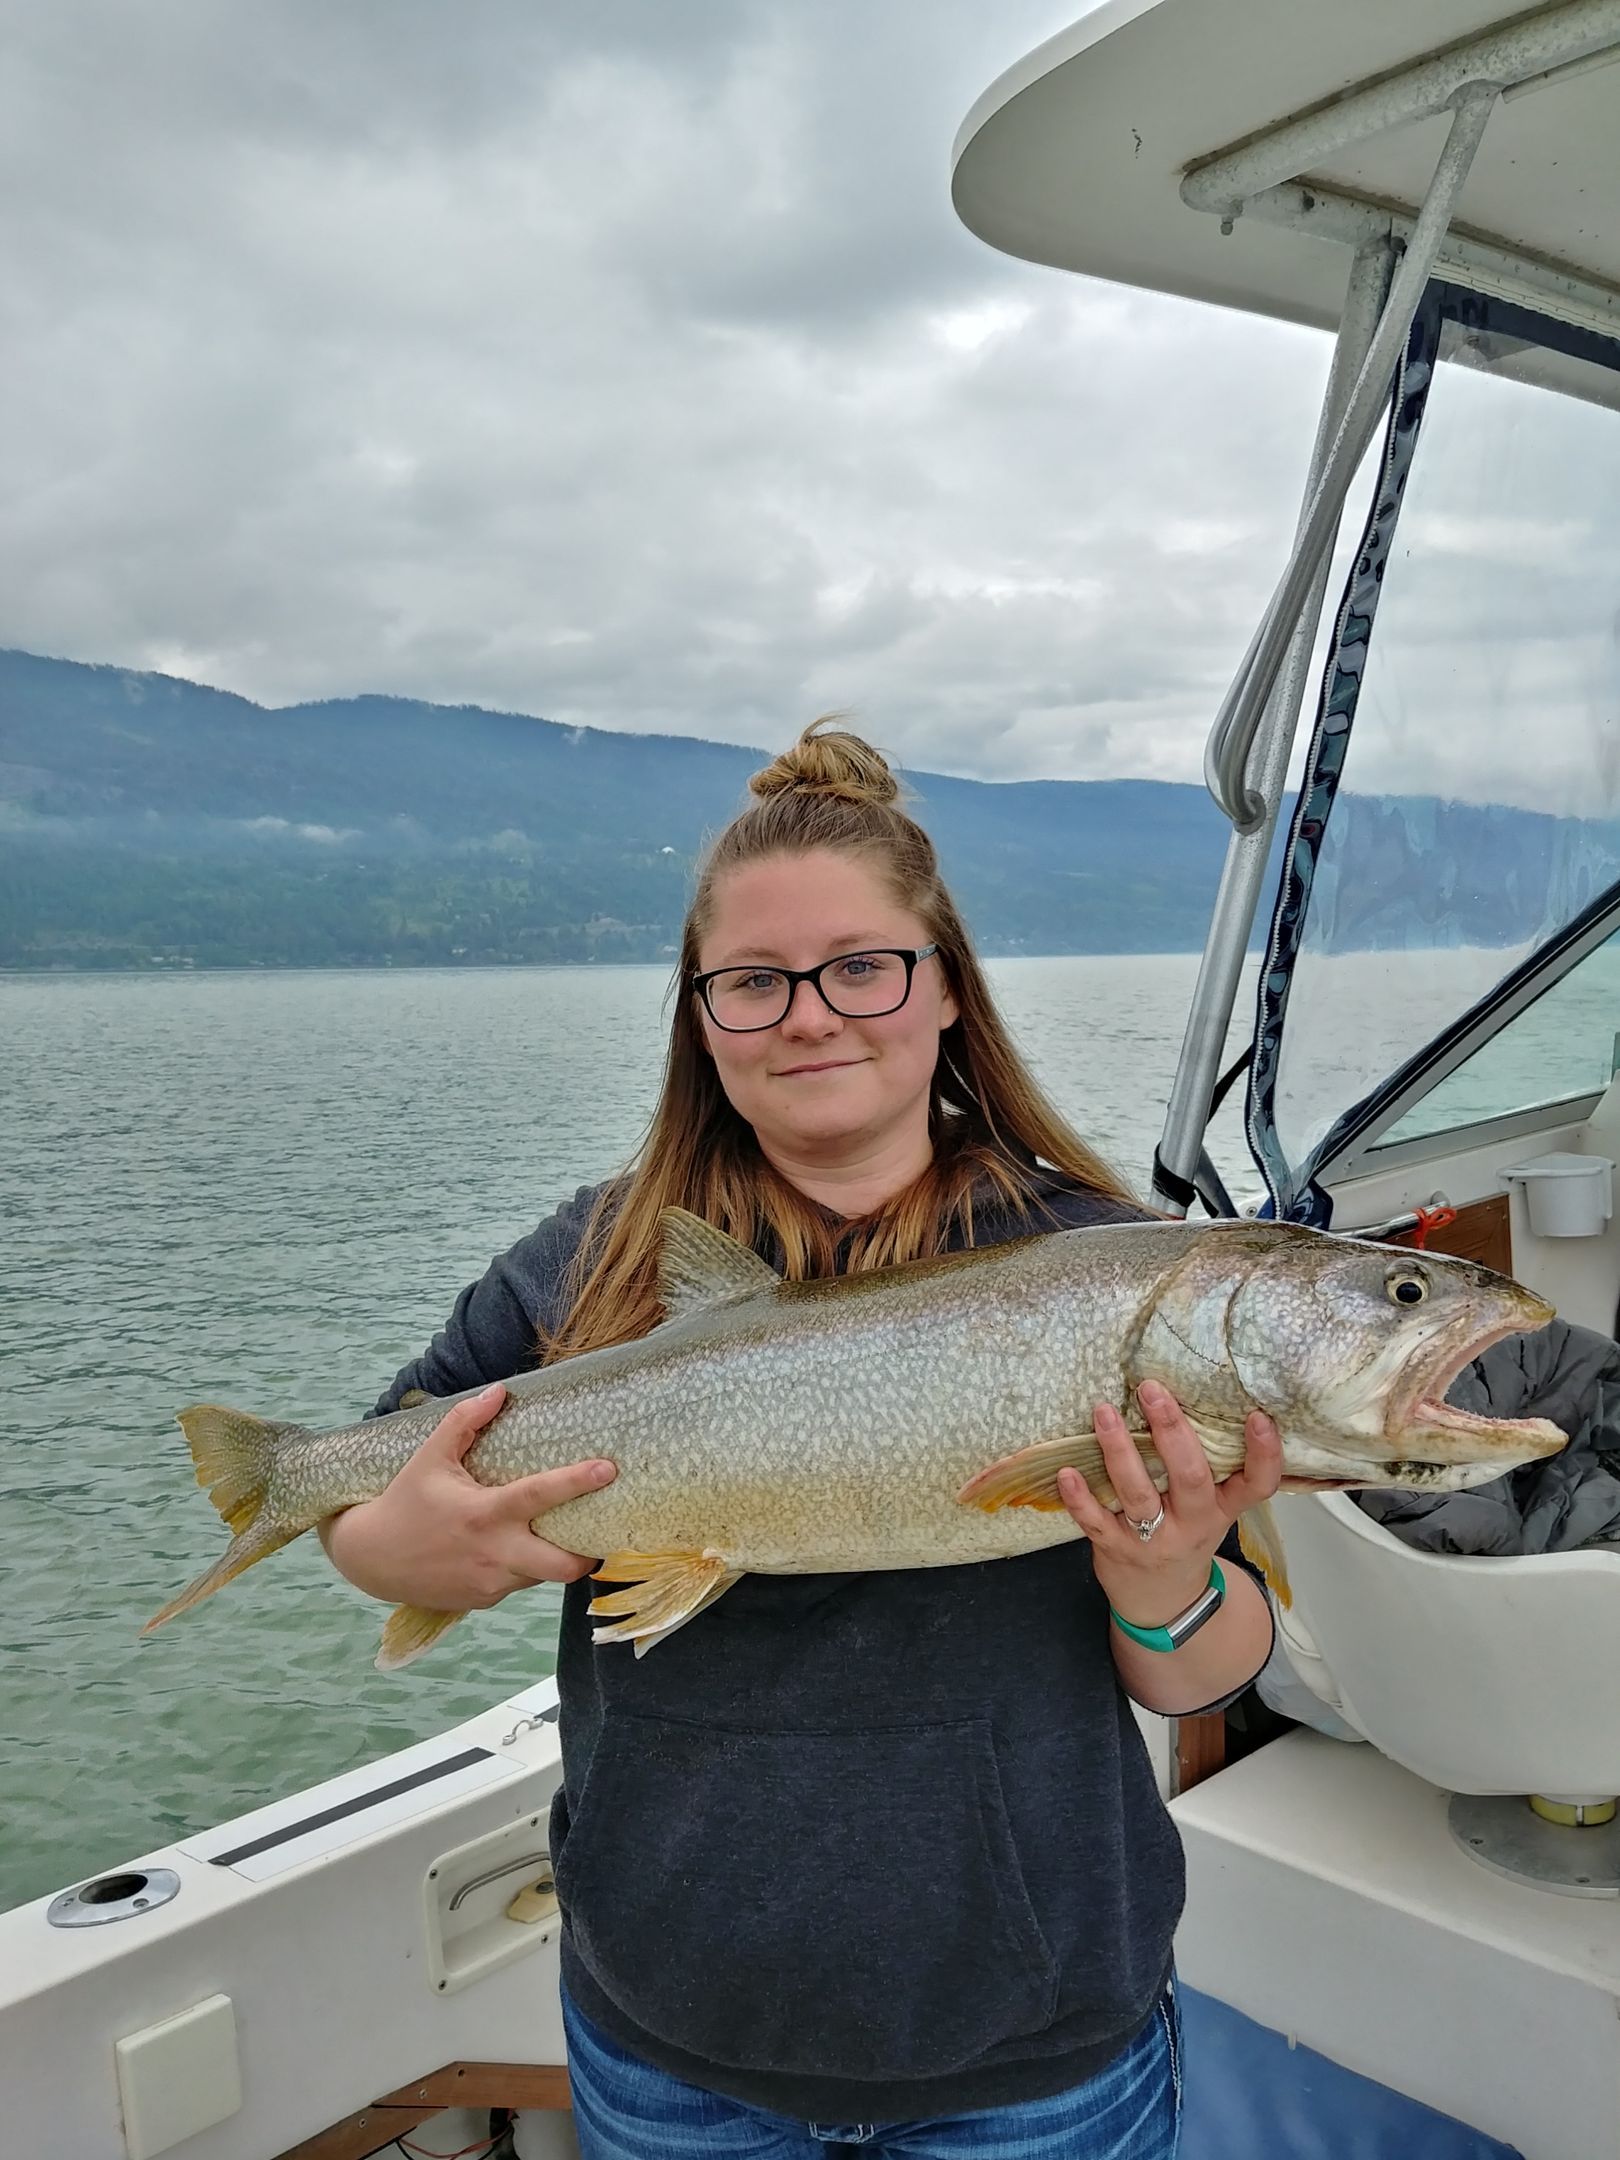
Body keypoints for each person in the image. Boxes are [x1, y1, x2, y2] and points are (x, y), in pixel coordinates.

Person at [321, 721, 1283, 2159]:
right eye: (755, 983)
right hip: (672, 2032)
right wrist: (390, 1547)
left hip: (1031, 2046)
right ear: (701, 1015)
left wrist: (1167, 1589)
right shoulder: (587, 1267)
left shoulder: (1117, 1277)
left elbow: (1212, 1665)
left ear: (946, 986)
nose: (811, 1016)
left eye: (862, 967)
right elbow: (370, 1476)